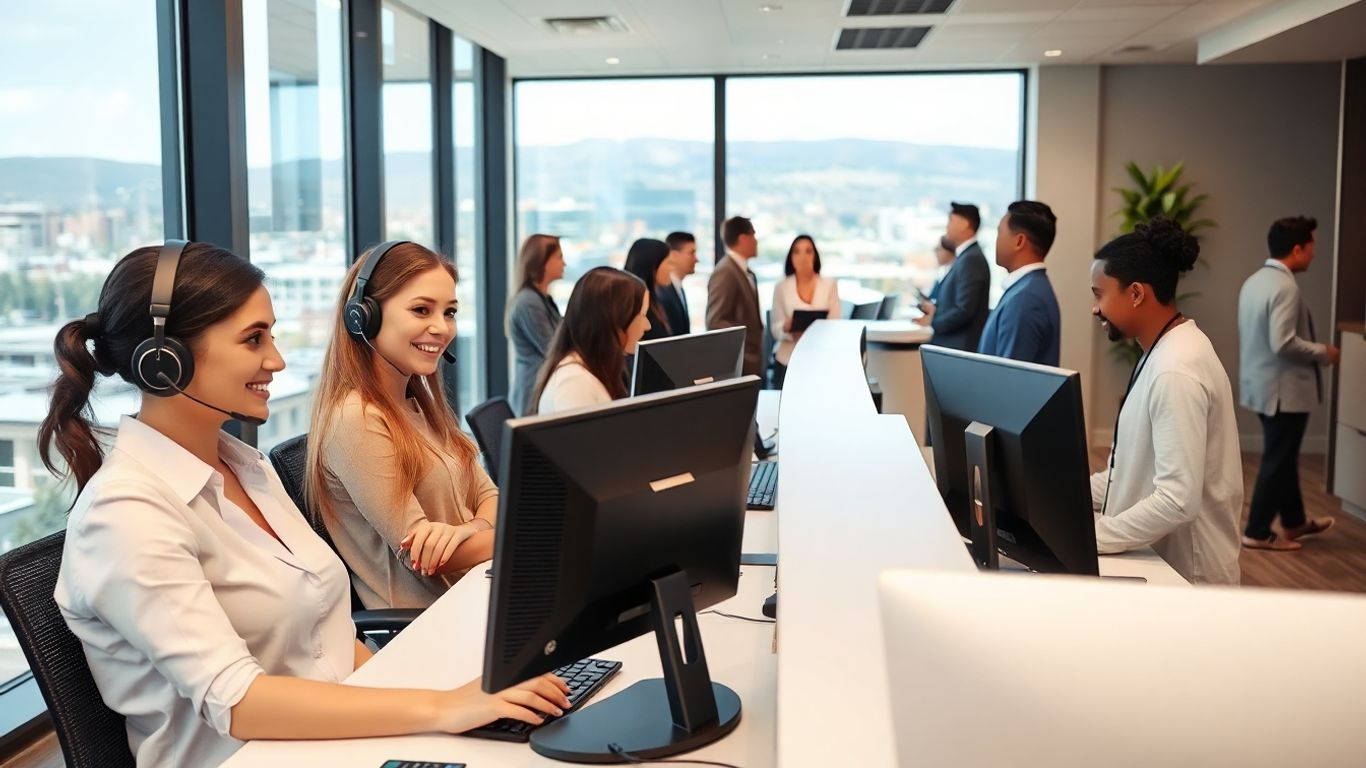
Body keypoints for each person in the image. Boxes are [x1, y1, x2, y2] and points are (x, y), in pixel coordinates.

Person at [39, 242, 569, 768]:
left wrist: (460, 695)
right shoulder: (126, 514)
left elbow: (335, 642)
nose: (277, 360)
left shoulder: (248, 468)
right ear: (164, 361)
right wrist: (442, 707)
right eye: (253, 340)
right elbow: (239, 703)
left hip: (341, 743)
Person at [308, 241, 496, 610]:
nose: (441, 328)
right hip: (428, 629)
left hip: (475, 601)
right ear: (363, 316)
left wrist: (470, 531)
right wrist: (522, 534)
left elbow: (490, 497)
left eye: (450, 312)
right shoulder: (356, 419)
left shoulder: (420, 407)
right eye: (421, 310)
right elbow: (425, 556)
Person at [1088, 218, 1242, 585]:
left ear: (1137, 293)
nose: (1095, 309)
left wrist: (1093, 537)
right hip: (1161, 565)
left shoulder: (1176, 368)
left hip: (1189, 579)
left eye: (1099, 294)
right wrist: (1061, 493)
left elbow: (1177, 500)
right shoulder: (1160, 352)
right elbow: (1127, 472)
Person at [1237, 216, 1340, 551]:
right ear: (1297, 249)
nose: (1313, 255)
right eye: (1311, 248)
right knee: (1278, 458)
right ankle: (1256, 531)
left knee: (1283, 455)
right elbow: (1283, 342)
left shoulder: (1255, 281)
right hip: (1284, 392)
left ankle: (1294, 522)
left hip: (1261, 386)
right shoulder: (1286, 287)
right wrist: (1325, 352)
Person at [531, 267, 650, 416]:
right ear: (617, 320)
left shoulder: (596, 368)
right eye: (643, 315)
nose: (648, 326)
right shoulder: (574, 383)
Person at [977, 200, 1061, 366]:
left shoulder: (1025, 298)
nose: (996, 241)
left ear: (1019, 241)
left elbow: (1008, 380)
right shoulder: (1029, 288)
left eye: (999, 232)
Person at [770, 235, 840, 389]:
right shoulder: (781, 287)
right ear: (791, 258)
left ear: (815, 256)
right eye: (797, 252)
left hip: (819, 359)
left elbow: (836, 323)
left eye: (808, 251)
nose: (803, 257)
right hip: (787, 359)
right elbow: (775, 328)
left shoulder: (829, 285)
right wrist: (786, 328)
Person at [506, 234, 565, 415]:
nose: (564, 263)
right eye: (560, 257)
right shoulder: (529, 302)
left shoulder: (543, 299)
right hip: (532, 397)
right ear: (543, 262)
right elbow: (552, 349)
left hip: (541, 391)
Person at [920, 202, 990, 351]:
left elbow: (964, 310)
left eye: (951, 220)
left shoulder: (971, 259)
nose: (947, 227)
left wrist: (933, 322)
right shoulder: (965, 257)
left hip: (959, 347)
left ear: (964, 224)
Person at [706, 216, 764, 377]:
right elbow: (715, 321)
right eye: (754, 235)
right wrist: (743, 345)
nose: (756, 241)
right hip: (738, 364)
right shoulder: (725, 272)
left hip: (749, 363)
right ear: (744, 238)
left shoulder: (745, 271)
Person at [622, 237, 677, 341]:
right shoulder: (633, 304)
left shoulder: (657, 298)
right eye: (669, 262)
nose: (672, 268)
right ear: (653, 265)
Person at [662, 231, 697, 335]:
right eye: (692, 253)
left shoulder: (679, 288)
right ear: (673, 255)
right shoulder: (663, 292)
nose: (696, 259)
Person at [926, 235, 956, 304]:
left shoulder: (955, 274)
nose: (936, 253)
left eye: (938, 249)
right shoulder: (943, 272)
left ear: (948, 251)